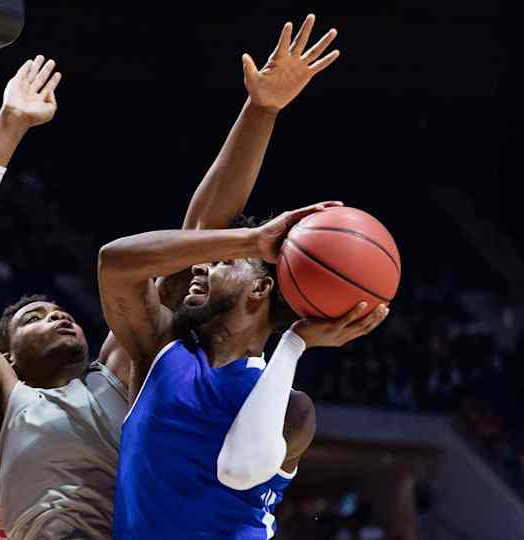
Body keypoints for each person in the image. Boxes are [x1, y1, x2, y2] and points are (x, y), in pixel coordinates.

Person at [0, 14, 339, 539]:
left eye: (60, 312)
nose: (57, 317)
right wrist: (9, 125)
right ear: (6, 356)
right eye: (34, 317)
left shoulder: (131, 370)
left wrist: (261, 111)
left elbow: (198, 240)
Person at [98, 22, 388, 539]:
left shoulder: (293, 409)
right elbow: (115, 261)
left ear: (260, 290)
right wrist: (262, 111)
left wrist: (296, 343)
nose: (205, 264)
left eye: (225, 264)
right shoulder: (161, 351)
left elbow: (238, 469)